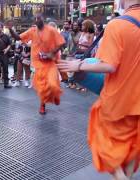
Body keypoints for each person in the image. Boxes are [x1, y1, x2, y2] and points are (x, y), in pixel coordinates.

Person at [57, 1, 140, 179]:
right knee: (133, 147)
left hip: (120, 103)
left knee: (105, 144)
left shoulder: (118, 25)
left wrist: (78, 65)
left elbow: (109, 65)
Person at [8, 14, 65, 115]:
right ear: (34, 21)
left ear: (43, 20)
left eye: (39, 18)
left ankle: (55, 95)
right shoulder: (32, 31)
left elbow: (61, 43)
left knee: (52, 84)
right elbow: (17, 37)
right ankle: (42, 106)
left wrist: (51, 53)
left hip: (50, 62)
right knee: (42, 87)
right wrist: (11, 29)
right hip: (38, 64)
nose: (38, 20)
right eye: (36, 19)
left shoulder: (51, 30)